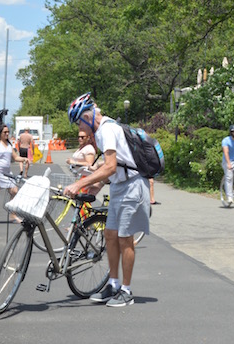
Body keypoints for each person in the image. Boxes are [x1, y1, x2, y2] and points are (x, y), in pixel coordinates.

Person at [64, 92, 150, 308]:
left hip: (132, 187)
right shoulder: (105, 129)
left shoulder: (106, 130)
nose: (80, 129)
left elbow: (111, 166)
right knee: (110, 235)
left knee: (125, 238)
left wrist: (79, 184)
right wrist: (94, 187)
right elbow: (111, 167)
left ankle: (126, 291)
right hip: (121, 186)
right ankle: (112, 283)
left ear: (88, 115)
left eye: (80, 123)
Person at [0, 124, 30, 225]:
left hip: (7, 173)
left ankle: (13, 215)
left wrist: (24, 159)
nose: (7, 134)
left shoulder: (9, 145)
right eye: (5, 132)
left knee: (14, 191)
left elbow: (15, 157)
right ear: (0, 133)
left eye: (8, 132)